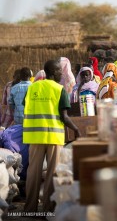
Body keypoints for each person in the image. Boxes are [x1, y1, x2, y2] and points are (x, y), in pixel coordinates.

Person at [23, 59, 81, 212]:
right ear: (53, 72)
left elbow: (25, 104)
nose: (62, 73)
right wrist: (76, 129)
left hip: (34, 136)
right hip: (53, 136)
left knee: (33, 173)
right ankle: (48, 209)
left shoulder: (32, 87)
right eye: (59, 71)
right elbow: (64, 116)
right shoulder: (59, 89)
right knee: (52, 174)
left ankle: (30, 210)